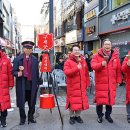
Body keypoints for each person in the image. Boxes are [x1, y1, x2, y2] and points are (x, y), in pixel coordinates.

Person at [91, 39, 122, 123]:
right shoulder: (97, 56)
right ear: (103, 46)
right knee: (100, 101)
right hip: (101, 83)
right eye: (105, 44)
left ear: (111, 46)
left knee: (110, 100)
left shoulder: (115, 56)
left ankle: (108, 115)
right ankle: (99, 116)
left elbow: (118, 70)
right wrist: (101, 64)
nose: (107, 46)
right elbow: (93, 66)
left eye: (109, 44)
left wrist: (119, 80)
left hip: (111, 83)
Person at [13, 41, 39, 125]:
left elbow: (36, 72)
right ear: (23, 49)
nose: (28, 50)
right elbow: (13, 71)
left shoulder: (35, 59)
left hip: (32, 84)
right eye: (26, 48)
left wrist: (38, 81)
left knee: (32, 102)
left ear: (32, 50)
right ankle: (22, 118)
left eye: (30, 49)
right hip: (22, 84)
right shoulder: (18, 59)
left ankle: (31, 117)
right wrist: (17, 73)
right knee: (21, 103)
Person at [64, 45, 90, 125]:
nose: (77, 51)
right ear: (71, 52)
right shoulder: (68, 62)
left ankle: (77, 116)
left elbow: (86, 74)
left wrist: (87, 83)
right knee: (72, 102)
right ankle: (71, 117)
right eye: (75, 50)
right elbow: (67, 72)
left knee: (80, 102)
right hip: (72, 86)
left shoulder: (83, 61)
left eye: (78, 50)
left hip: (82, 86)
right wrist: (76, 69)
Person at [0, 45, 14, 127]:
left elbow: (10, 73)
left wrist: (11, 84)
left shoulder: (6, 60)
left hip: (3, 86)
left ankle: (3, 120)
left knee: (4, 104)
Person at [121, 51, 130, 123]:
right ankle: (129, 115)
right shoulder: (128, 57)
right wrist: (128, 64)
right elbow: (123, 69)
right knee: (129, 99)